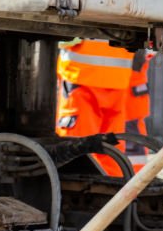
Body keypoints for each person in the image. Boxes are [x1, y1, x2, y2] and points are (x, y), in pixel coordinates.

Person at [56, 38, 154, 175]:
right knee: (111, 150)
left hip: (82, 79)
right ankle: (117, 189)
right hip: (118, 80)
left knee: (76, 149)